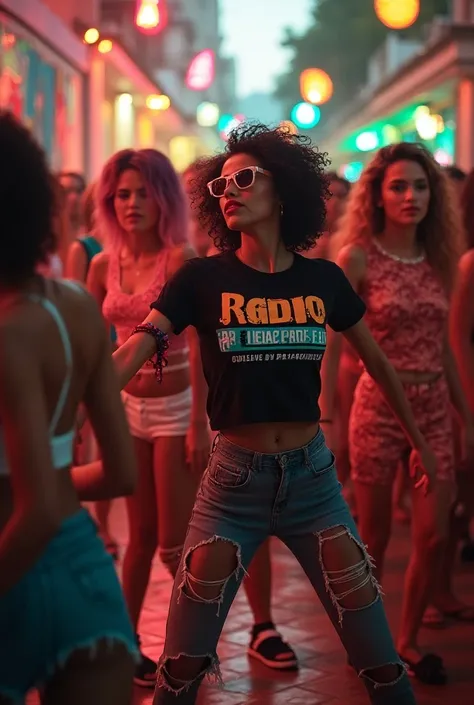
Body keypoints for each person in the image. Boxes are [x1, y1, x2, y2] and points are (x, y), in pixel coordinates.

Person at [112, 123, 436, 705]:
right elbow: (141, 342)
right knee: (180, 668)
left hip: (313, 482)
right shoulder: (202, 278)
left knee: (381, 664)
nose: (228, 192)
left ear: (282, 192)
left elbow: (379, 367)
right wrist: (73, 400)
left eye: (243, 179)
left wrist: (422, 443)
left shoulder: (323, 279)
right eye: (220, 185)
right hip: (232, 483)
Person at [0, 111, 138, 704]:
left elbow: (29, 512)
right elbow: (120, 472)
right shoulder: (78, 307)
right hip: (84, 575)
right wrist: (57, 480)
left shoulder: (7, 332)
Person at [322, 142, 472, 684]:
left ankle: (406, 639)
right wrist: (329, 419)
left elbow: (445, 347)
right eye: (399, 186)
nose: (412, 197)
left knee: (435, 532)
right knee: (377, 536)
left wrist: (465, 415)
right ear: (378, 197)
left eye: (422, 186)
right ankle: (369, 639)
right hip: (378, 406)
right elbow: (334, 346)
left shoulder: (440, 258)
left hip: (433, 402)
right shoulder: (358, 257)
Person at [87, 148, 210, 687]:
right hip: (122, 407)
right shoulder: (99, 264)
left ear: (163, 199)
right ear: (109, 202)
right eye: (122, 194)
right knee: (135, 537)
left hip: (177, 405)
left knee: (171, 543)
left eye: (143, 193)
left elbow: (204, 343)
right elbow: (91, 344)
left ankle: (192, 647)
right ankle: (127, 643)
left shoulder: (179, 258)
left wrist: (198, 422)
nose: (132, 204)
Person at [66, 183, 118, 559]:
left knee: (112, 444)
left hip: (123, 357)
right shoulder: (84, 249)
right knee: (90, 444)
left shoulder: (127, 248)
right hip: (93, 356)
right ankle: (94, 525)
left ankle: (105, 523)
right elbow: (75, 306)